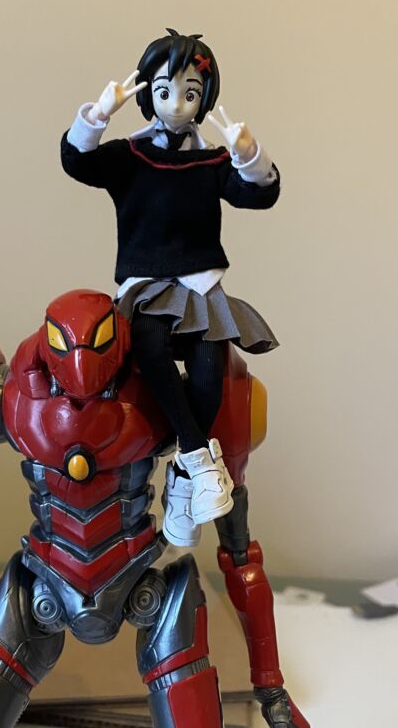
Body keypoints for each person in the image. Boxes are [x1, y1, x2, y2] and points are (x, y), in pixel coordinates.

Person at [61, 28, 281, 535]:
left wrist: (248, 153)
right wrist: (98, 115)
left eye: (190, 93)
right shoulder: (129, 157)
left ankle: (184, 476)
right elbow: (77, 161)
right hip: (145, 285)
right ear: (149, 95)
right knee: (150, 346)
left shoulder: (212, 161)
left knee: (209, 367)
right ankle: (199, 461)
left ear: (205, 98)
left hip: (199, 286)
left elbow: (260, 195)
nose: (177, 104)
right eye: (164, 91)